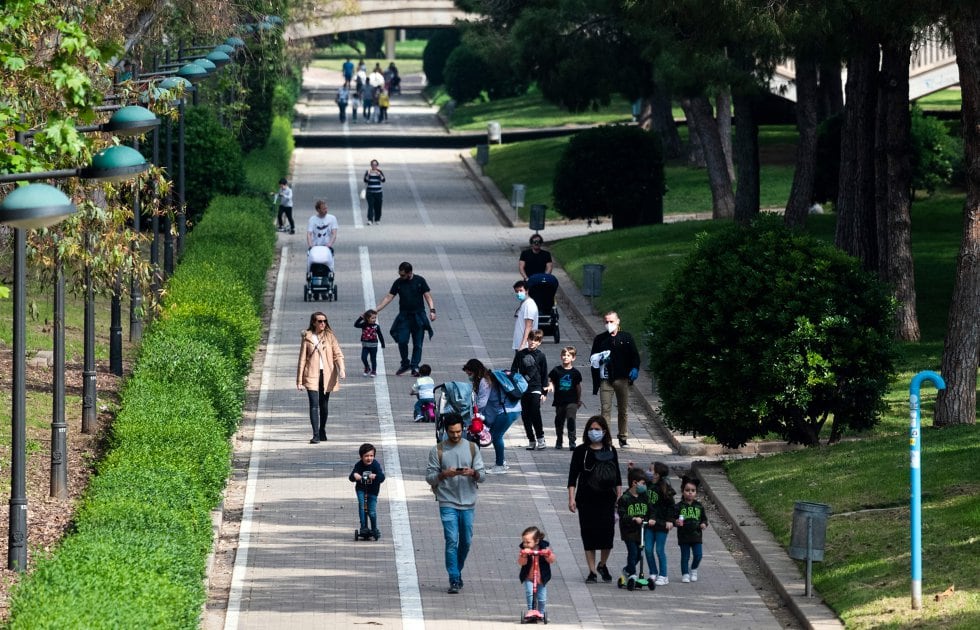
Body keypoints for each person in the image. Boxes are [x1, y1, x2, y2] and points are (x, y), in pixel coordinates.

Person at [425, 414, 485, 594]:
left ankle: (457, 570)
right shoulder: (437, 451)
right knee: (451, 540)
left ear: (464, 429)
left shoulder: (473, 448)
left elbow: (482, 476)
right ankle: (454, 577)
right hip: (447, 501)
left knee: (465, 541)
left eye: (459, 431)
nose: (456, 435)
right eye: (452, 432)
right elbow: (429, 478)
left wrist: (473, 473)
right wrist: (444, 474)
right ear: (446, 431)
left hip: (468, 502)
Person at [567, 415, 621, 584]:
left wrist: (619, 497)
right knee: (588, 534)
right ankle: (591, 571)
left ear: (604, 431)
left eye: (597, 429)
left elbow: (618, 476)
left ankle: (602, 564)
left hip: (607, 499)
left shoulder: (611, 450)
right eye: (591, 429)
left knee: (607, 536)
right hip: (586, 499)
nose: (594, 432)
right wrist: (571, 499)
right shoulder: (581, 451)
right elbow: (572, 477)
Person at [374, 262, 436, 377]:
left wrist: (432, 310)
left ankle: (415, 366)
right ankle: (405, 363)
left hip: (418, 316)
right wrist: (376, 310)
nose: (400, 277)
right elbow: (389, 297)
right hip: (404, 317)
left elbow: (427, 296)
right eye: (399, 274)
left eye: (402, 275)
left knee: (418, 344)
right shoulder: (398, 283)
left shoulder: (420, 281)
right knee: (402, 340)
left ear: (410, 273)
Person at [589, 311, 641, 447]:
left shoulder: (626, 337)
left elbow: (635, 356)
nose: (609, 324)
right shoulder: (600, 339)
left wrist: (634, 368)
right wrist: (600, 359)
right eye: (606, 322)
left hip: (622, 379)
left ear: (618, 322)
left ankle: (623, 437)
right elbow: (592, 358)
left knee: (622, 409)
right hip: (606, 379)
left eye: (611, 321)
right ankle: (606, 439)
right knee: (605, 409)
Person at [464, 358, 520, 474]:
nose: (469, 376)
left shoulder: (485, 381)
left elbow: (482, 402)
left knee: (496, 436)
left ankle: (500, 465)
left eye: (470, 373)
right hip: (511, 409)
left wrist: (473, 413)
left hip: (507, 411)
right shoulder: (487, 378)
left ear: (476, 371)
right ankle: (501, 462)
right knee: (495, 435)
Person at [296, 312, 346, 443]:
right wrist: (299, 380)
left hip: (327, 374)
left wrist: (342, 369)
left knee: (324, 405)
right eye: (319, 321)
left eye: (324, 321)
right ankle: (315, 434)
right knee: (313, 404)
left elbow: (338, 354)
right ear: (314, 322)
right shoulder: (307, 337)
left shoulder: (330, 336)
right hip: (311, 374)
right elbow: (302, 359)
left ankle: (322, 429)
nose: (323, 323)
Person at [616, 467, 655, 590]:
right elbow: (622, 514)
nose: (644, 486)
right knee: (633, 552)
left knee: (639, 554)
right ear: (634, 483)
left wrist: (652, 518)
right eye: (643, 483)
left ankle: (627, 570)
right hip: (629, 531)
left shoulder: (644, 497)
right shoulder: (625, 498)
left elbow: (651, 510)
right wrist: (633, 518)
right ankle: (632, 574)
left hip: (641, 531)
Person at [511, 329, 549, 451]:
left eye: (536, 340)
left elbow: (544, 374)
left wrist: (544, 392)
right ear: (527, 339)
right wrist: (514, 385)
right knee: (525, 416)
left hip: (536, 388)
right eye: (531, 339)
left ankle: (541, 438)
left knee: (535, 413)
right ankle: (531, 440)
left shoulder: (541, 356)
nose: (532, 342)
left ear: (539, 342)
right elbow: (513, 370)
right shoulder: (520, 354)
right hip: (523, 389)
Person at [645, 461, 676, 586]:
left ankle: (663, 575)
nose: (648, 472)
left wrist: (670, 520)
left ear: (657, 474)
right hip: (649, 523)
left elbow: (672, 507)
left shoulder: (665, 489)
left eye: (650, 470)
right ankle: (653, 572)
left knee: (659, 550)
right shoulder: (646, 485)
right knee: (647, 549)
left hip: (662, 524)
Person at [549, 345, 583, 450]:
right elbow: (551, 380)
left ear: (573, 358)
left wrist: (579, 400)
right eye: (563, 355)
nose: (565, 357)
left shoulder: (575, 373)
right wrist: (550, 385)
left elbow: (578, 387)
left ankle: (572, 441)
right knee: (559, 421)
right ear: (561, 357)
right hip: (559, 401)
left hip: (572, 401)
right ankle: (559, 440)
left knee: (571, 420)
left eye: (568, 355)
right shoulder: (556, 370)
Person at [676, 475, 709, 583]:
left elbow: (704, 519)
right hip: (683, 535)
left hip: (696, 535)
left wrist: (704, 524)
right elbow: (672, 518)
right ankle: (685, 573)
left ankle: (693, 569)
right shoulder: (679, 506)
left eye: (693, 490)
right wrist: (675, 522)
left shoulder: (699, 506)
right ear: (682, 491)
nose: (690, 492)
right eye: (687, 490)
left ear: (696, 492)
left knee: (698, 555)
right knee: (685, 556)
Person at [349, 443, 386, 539]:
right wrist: (355, 476)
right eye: (366, 456)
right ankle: (364, 527)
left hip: (373, 491)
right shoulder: (359, 465)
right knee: (362, 507)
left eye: (371, 456)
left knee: (371, 511)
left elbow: (382, 477)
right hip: (361, 489)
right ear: (361, 457)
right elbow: (351, 477)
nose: (369, 458)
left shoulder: (375, 465)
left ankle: (374, 528)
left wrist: (376, 476)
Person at [517, 526, 555, 618]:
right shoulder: (524, 550)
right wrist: (524, 555)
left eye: (528, 542)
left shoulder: (543, 548)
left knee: (542, 598)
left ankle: (541, 612)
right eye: (524, 542)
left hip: (541, 578)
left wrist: (548, 554)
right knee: (530, 592)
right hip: (528, 577)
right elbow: (521, 562)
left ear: (536, 541)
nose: (525, 544)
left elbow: (552, 560)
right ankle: (530, 610)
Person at [354, 309, 386, 377]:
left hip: (373, 346)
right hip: (365, 346)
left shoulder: (376, 326)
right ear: (367, 318)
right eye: (372, 318)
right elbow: (356, 325)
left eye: (375, 318)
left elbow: (380, 335)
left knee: (373, 359)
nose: (374, 319)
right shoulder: (364, 325)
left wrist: (383, 343)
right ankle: (367, 367)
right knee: (363, 357)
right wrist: (360, 318)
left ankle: (374, 371)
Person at [512, 279, 538, 353]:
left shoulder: (529, 305)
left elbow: (529, 326)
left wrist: (523, 344)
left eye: (521, 290)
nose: (518, 293)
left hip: (525, 346)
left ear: (526, 291)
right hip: (519, 344)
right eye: (516, 291)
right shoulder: (524, 303)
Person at [363, 159, 385, 225]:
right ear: (371, 165)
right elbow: (365, 180)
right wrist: (368, 175)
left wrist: (379, 175)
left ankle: (377, 219)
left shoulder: (379, 171)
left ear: (377, 165)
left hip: (378, 192)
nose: (374, 166)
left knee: (378, 206)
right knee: (370, 206)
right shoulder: (368, 171)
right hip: (370, 192)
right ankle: (370, 220)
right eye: (373, 164)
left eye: (375, 165)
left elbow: (383, 180)